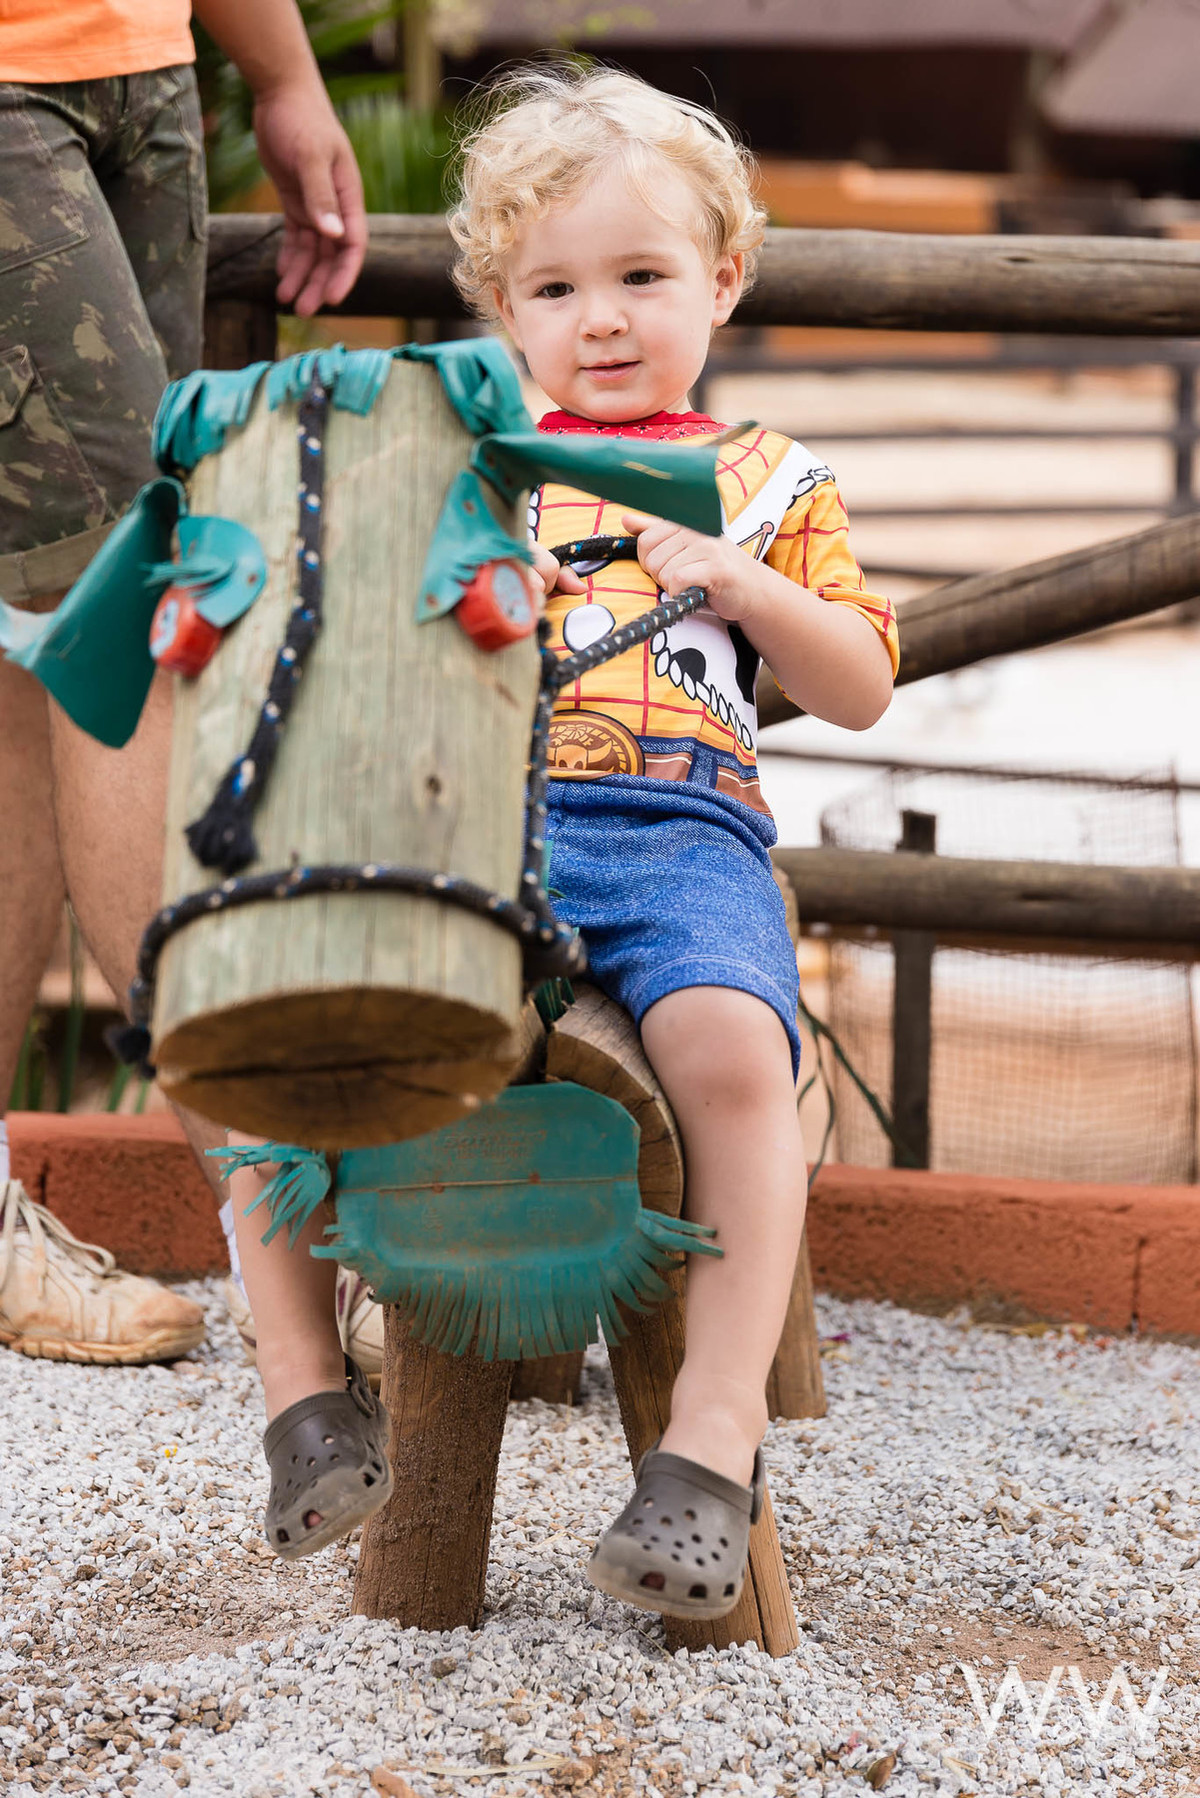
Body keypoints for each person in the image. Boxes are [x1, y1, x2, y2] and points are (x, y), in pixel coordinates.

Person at [226, 65, 898, 1615]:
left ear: (722, 279)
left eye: (644, 277)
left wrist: (744, 583)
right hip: (466, 826)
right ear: (502, 308)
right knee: (282, 1023)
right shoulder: (469, 461)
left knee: (736, 1054)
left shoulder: (767, 479)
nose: (602, 318)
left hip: (678, 838)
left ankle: (707, 1442)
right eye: (558, 286)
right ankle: (303, 1387)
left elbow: (857, 682)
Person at [0, 0, 382, 1370]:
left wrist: (275, 66)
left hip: (138, 60)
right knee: (126, 623)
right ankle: (304, 1229)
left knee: (31, 644)